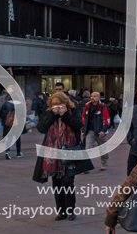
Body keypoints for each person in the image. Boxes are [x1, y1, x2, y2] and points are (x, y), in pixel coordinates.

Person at [32, 92, 90, 221]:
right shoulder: (49, 113)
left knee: (67, 181)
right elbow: (41, 128)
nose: (57, 106)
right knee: (57, 182)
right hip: (53, 152)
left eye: (59, 103)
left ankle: (71, 210)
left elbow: (78, 125)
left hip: (70, 150)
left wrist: (65, 115)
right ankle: (61, 211)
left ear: (65, 102)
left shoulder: (73, 111)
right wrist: (52, 114)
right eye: (54, 104)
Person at [82, 91, 111, 171]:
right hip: (90, 131)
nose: (92, 98)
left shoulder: (103, 107)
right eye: (91, 96)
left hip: (100, 132)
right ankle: (86, 167)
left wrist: (103, 131)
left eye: (94, 96)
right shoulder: (87, 107)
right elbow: (84, 119)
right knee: (88, 149)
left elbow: (106, 120)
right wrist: (83, 131)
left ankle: (104, 163)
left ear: (98, 98)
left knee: (103, 149)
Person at [0, 87, 23, 159]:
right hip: (17, 124)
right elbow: (22, 114)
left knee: (9, 138)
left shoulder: (6, 104)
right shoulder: (20, 104)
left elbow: (0, 113)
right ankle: (18, 153)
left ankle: (7, 152)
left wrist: (5, 118)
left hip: (8, 123)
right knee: (17, 139)